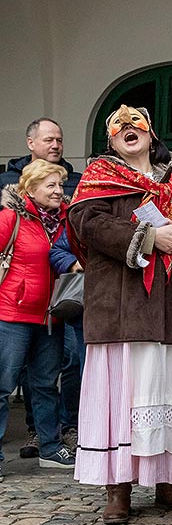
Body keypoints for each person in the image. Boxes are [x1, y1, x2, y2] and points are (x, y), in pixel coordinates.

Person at [68, 104, 172, 525]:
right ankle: (118, 488)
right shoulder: (99, 177)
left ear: (151, 133)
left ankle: (171, 483)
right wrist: (149, 236)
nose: (127, 129)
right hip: (123, 309)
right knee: (126, 395)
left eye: (135, 123)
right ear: (111, 140)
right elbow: (86, 222)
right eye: (118, 127)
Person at [0, 117, 82, 459]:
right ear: (30, 189)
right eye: (50, 186)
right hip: (14, 313)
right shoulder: (11, 218)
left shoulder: (66, 220)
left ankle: (50, 446)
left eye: (60, 186)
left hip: (52, 314)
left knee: (46, 385)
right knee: (3, 386)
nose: (58, 192)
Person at [48, 227, 86, 451]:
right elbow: (58, 251)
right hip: (86, 312)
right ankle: (72, 427)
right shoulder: (83, 211)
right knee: (77, 368)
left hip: (128, 315)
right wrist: (75, 264)